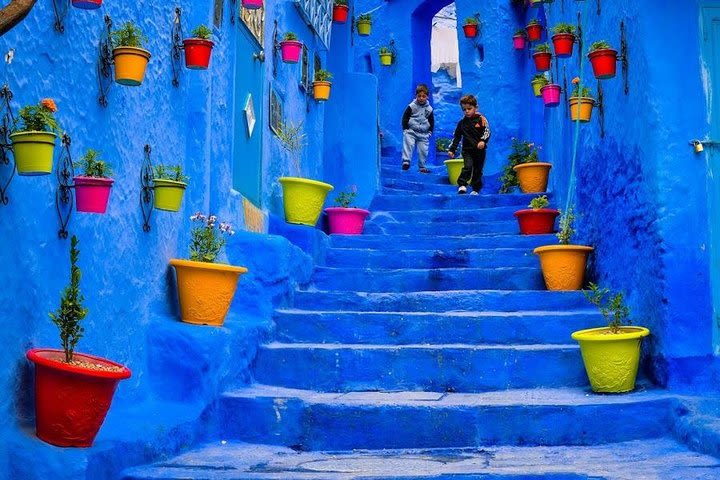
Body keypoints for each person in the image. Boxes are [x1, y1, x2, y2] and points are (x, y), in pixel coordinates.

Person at [447, 94, 491, 195]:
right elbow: (457, 137)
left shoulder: (482, 119)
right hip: (467, 151)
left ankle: (476, 189)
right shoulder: (461, 123)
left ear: (476, 107)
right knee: (468, 166)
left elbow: (487, 131)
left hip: (480, 151)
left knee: (478, 170)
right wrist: (452, 149)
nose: (467, 111)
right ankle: (462, 185)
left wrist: (483, 141)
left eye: (469, 108)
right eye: (464, 109)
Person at [401, 84, 434, 173]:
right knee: (408, 144)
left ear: (427, 97)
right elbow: (405, 117)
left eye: (424, 96)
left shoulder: (429, 109)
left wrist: (430, 131)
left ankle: (422, 166)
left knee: (423, 150)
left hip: (423, 133)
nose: (421, 98)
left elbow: (431, 121)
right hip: (411, 131)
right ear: (416, 96)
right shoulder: (412, 106)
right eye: (419, 96)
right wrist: (405, 128)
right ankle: (406, 161)